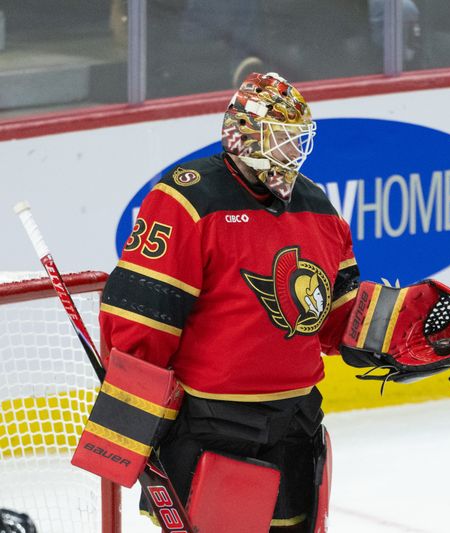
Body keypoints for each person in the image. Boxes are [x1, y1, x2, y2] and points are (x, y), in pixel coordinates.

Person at [99, 72, 359, 532]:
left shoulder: (317, 205)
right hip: (213, 427)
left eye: (298, 141)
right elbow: (142, 319)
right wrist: (139, 416)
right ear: (244, 134)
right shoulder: (187, 197)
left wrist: (406, 342)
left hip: (297, 422)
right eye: (282, 140)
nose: (292, 153)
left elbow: (339, 316)